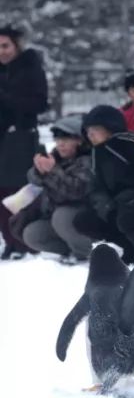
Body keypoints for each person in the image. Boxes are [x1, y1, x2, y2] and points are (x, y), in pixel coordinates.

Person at [74, 104, 134, 261]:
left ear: (110, 127)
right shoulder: (97, 153)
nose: (90, 135)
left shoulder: (133, 145)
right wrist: (106, 206)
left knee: (128, 217)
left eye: (95, 129)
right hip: (116, 207)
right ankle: (128, 248)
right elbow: (95, 187)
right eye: (87, 131)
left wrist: (132, 198)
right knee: (83, 220)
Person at [16, 114, 94, 262]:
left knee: (61, 217)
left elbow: (75, 191)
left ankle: (86, 252)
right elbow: (32, 179)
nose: (60, 144)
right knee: (32, 234)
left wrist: (51, 172)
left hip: (83, 216)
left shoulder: (87, 160)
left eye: (65, 139)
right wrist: (39, 171)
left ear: (78, 140)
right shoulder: (54, 157)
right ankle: (71, 250)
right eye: (58, 140)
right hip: (56, 216)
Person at [0, 25, 48, 259]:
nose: (2, 51)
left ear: (16, 45)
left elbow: (40, 103)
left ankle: (23, 240)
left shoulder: (30, 68)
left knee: (18, 190)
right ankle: (9, 240)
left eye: (5, 45)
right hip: (2, 136)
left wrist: (7, 98)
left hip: (21, 136)